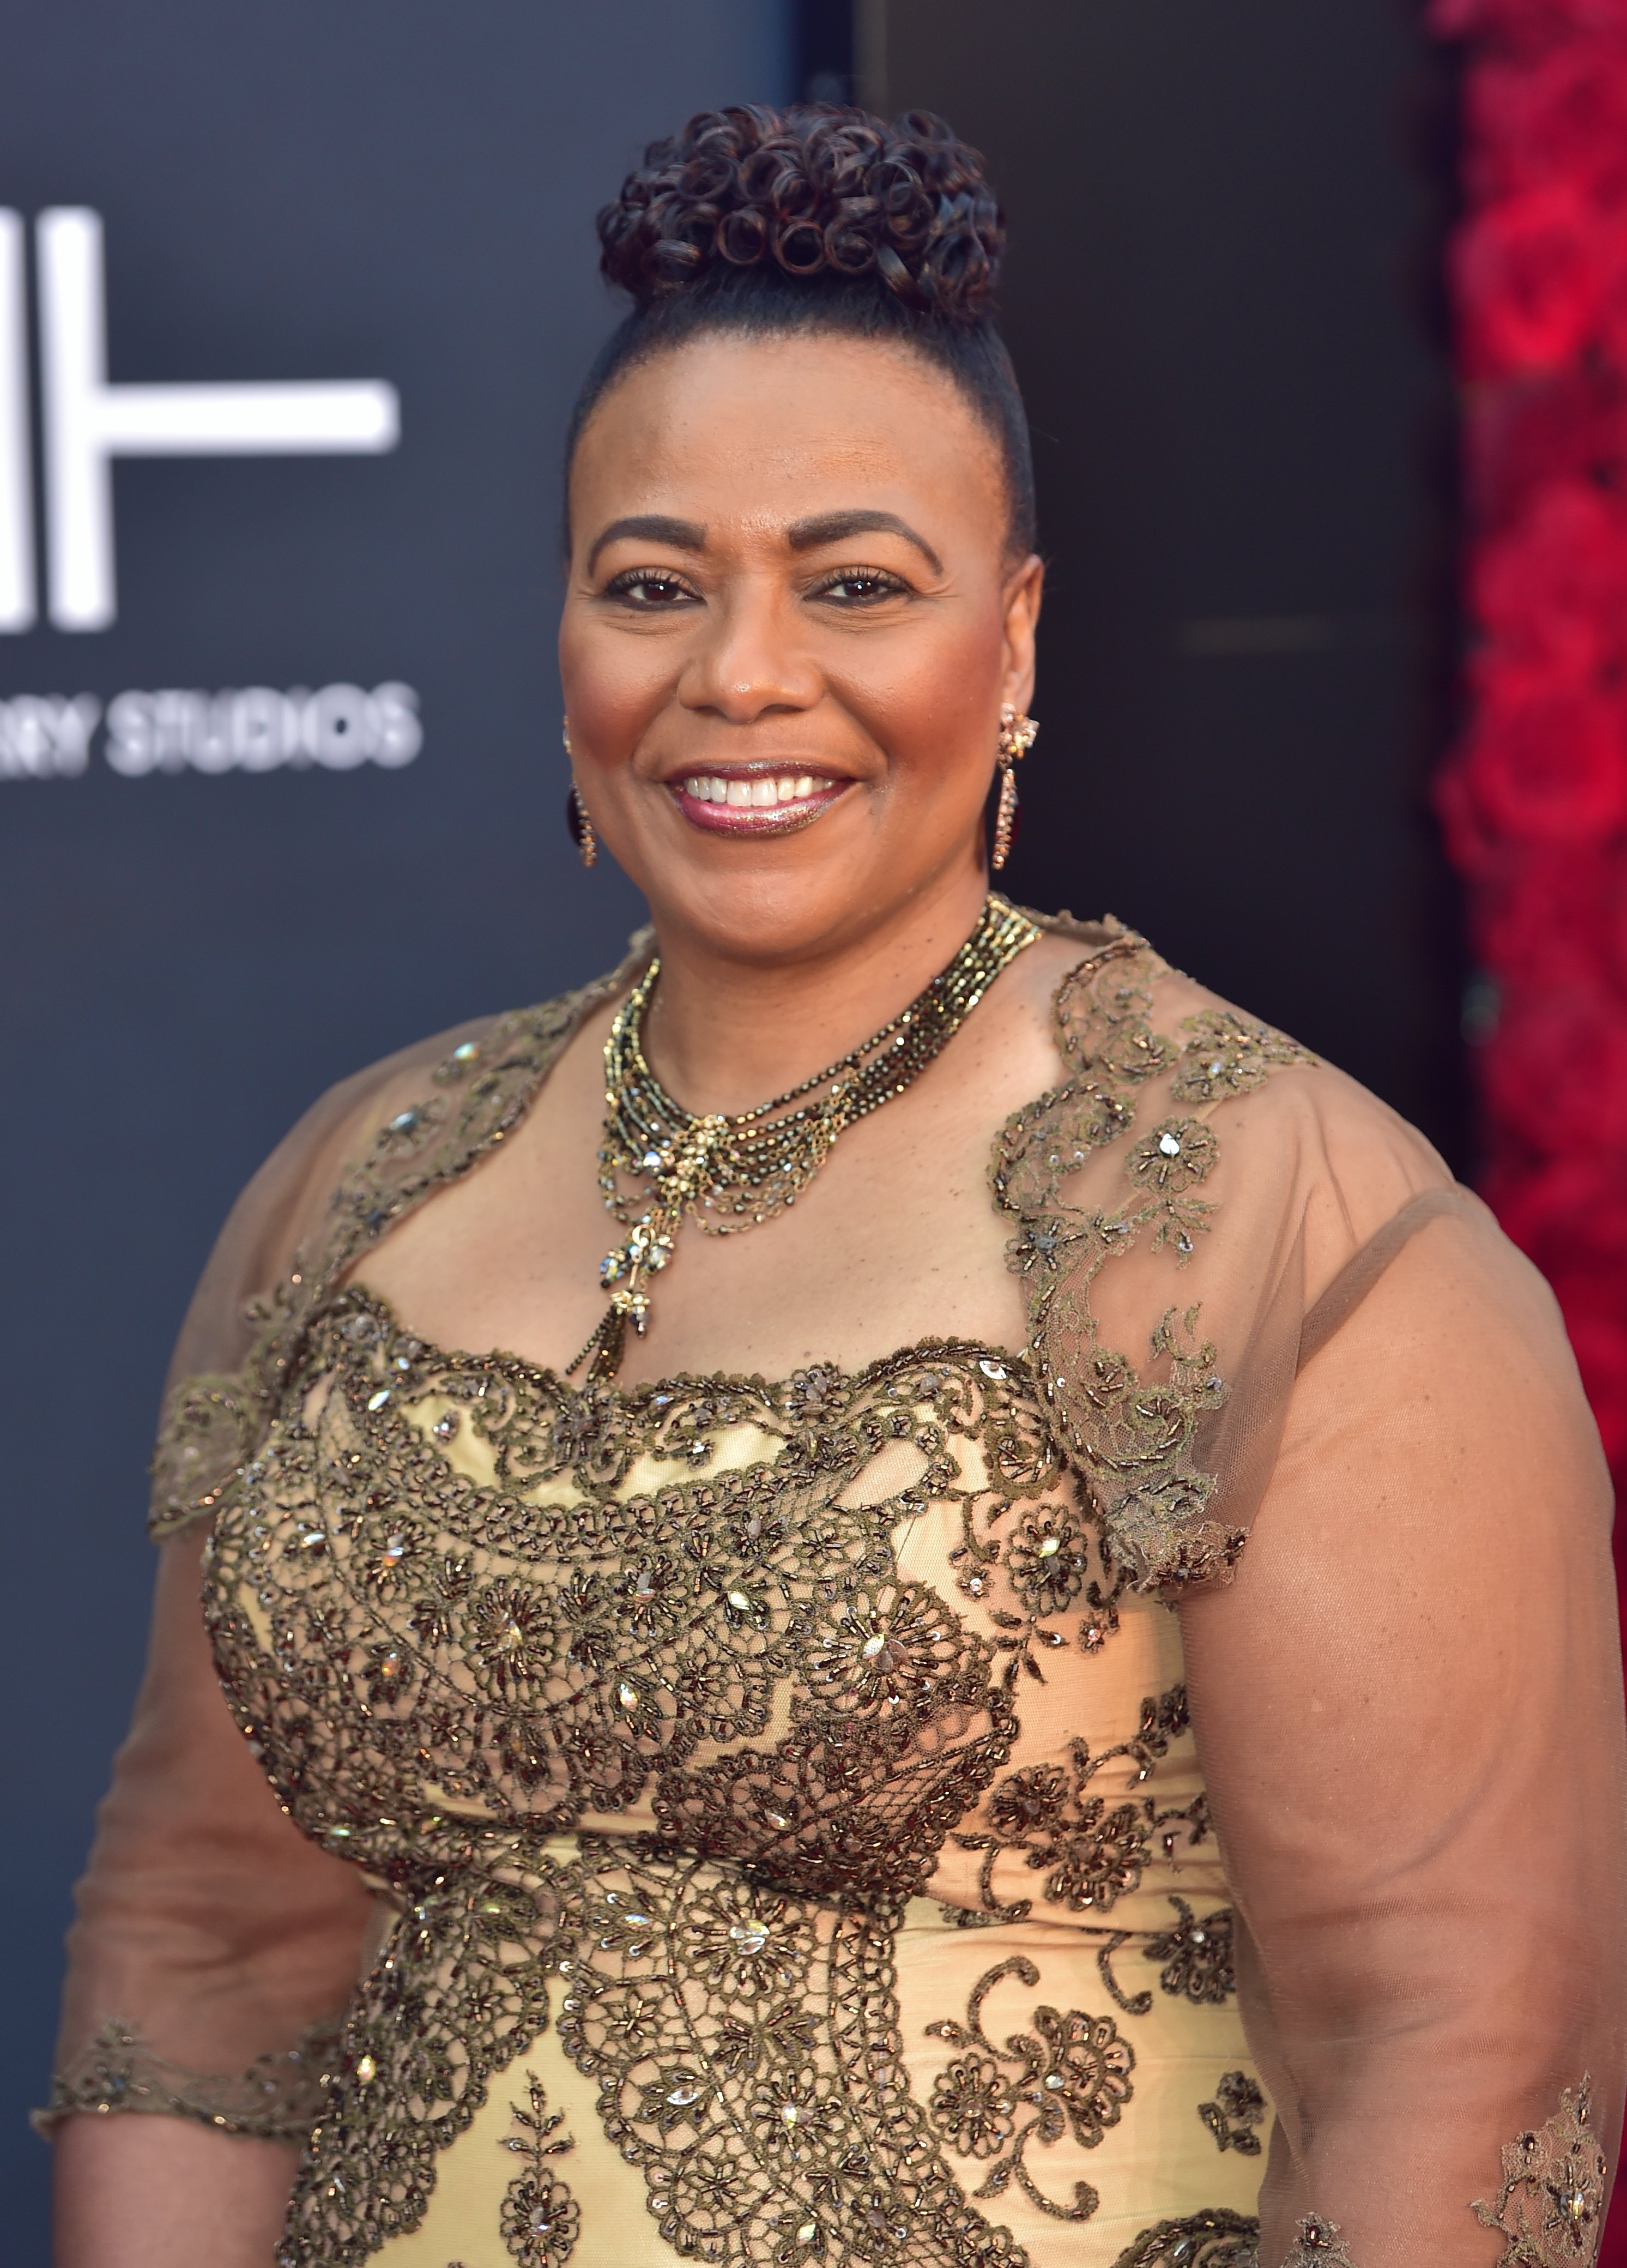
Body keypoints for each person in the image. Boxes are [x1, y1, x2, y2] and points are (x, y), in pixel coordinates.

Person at [44, 102, 1627, 2268]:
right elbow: (203, 1951)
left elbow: (1462, 2039)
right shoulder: (356, 1180)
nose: (740, 674)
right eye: (654, 584)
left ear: (1021, 641)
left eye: (855, 583)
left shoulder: (1272, 1211)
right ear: (568, 635)